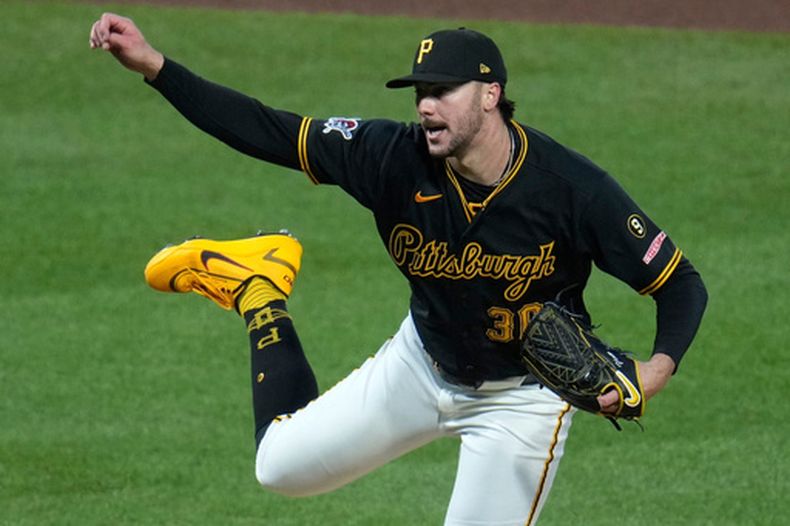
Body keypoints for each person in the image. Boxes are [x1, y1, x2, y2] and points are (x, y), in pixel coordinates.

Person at [90, 13, 708, 525]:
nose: (426, 106)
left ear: (490, 95)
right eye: (420, 93)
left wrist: (655, 370)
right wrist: (156, 68)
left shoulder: (572, 189)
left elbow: (679, 285)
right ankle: (259, 289)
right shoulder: (391, 157)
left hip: (519, 404)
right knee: (278, 467)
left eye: (442, 91)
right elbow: (269, 130)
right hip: (421, 363)